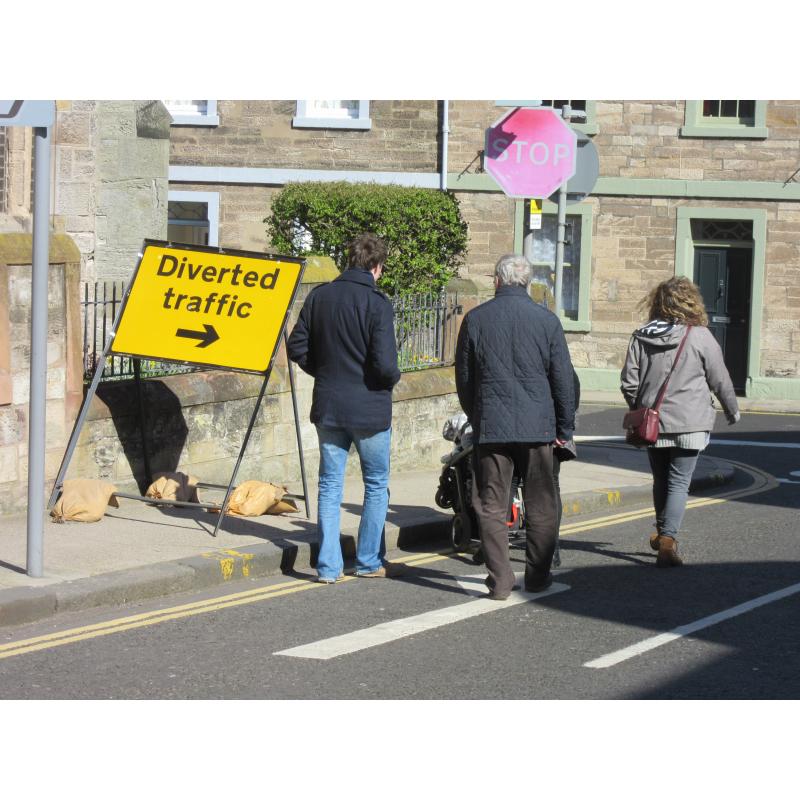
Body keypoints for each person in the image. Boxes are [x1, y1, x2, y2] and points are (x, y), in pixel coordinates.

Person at [456, 254, 576, 600]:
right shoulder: (547, 320)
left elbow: (464, 379)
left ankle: (501, 580)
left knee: (490, 504)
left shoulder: (476, 320)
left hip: (492, 425)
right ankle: (537, 577)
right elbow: (562, 380)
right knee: (542, 503)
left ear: (497, 280)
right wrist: (564, 427)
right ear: (526, 282)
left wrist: (476, 414)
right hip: (538, 427)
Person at [287, 233, 404, 583]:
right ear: (377, 266)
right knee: (376, 482)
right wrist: (392, 378)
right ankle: (368, 561)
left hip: (330, 406)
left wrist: (321, 370)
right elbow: (385, 365)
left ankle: (327, 567)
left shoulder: (320, 296)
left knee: (330, 485)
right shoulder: (377, 303)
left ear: (349, 260)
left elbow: (297, 347)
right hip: (369, 408)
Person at [620, 276, 740, 567]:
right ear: (691, 302)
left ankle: (663, 535)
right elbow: (719, 378)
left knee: (661, 480)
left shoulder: (641, 336)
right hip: (691, 422)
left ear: (657, 303)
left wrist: (641, 408)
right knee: (678, 483)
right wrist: (731, 409)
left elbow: (628, 383)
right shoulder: (700, 336)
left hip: (653, 424)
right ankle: (668, 541)